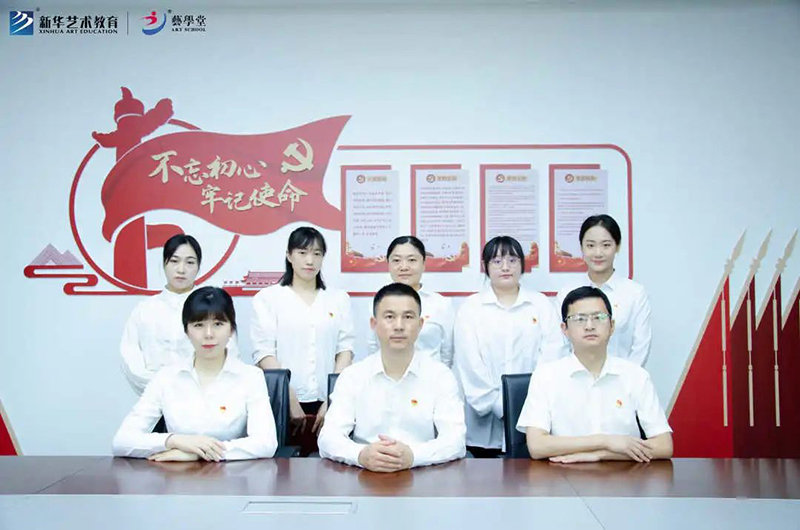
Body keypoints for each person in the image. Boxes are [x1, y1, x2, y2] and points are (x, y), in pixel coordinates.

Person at [113, 287, 278, 461]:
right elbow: (122, 441)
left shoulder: (251, 377)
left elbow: (266, 443)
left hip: (232, 474)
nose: (208, 334)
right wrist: (175, 441)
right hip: (176, 475)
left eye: (218, 324)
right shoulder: (166, 377)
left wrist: (198, 453)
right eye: (199, 325)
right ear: (186, 331)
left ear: (231, 330)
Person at [319, 283, 466, 471]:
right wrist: (361, 454)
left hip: (423, 473)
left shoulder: (440, 377)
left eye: (408, 317)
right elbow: (328, 437)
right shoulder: (352, 376)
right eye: (389, 317)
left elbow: (455, 440)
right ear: (374, 324)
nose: (399, 326)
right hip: (365, 475)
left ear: (420, 324)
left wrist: (413, 455)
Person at [519, 286, 672, 463]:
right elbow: (537, 446)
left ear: (612, 326)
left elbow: (664, 445)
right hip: (563, 475)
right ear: (564, 329)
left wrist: (600, 455)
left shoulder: (636, 376)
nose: (589, 326)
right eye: (579, 319)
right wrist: (605, 441)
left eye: (598, 318)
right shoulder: (546, 376)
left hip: (625, 477)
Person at [453, 236, 564, 457]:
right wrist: (501, 406)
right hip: (485, 424)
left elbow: (553, 354)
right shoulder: (471, 308)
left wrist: (528, 402)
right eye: (497, 261)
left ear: (522, 264)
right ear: (485, 266)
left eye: (512, 260)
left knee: (532, 475)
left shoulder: (541, 304)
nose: (505, 267)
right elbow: (469, 363)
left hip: (535, 417)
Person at [251, 227, 355, 449]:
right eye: (302, 253)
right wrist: (289, 398)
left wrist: (333, 398)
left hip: (329, 401)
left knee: (331, 463)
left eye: (317, 253)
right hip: (282, 401)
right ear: (289, 256)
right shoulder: (268, 298)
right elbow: (264, 353)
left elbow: (345, 350)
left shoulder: (338, 299)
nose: (310, 260)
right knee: (283, 465)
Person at [120, 234, 239, 394]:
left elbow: (230, 354)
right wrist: (162, 388)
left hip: (204, 396)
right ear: (164, 263)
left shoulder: (212, 307)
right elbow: (130, 357)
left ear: (198, 266)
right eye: (174, 261)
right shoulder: (145, 309)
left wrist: (199, 388)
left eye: (189, 262)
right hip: (155, 396)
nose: (181, 269)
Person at [556, 215, 651, 366]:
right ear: (581, 248)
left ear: (617, 247)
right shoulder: (567, 292)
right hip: (575, 377)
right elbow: (560, 344)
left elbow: (641, 347)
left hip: (622, 377)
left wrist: (627, 377)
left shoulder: (634, 293)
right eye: (590, 245)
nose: (598, 253)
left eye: (606, 245)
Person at [367, 236, 455, 367]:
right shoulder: (378, 302)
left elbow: (447, 354)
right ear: (388, 264)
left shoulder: (441, 304)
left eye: (412, 260)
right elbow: (373, 348)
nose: (404, 267)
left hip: (430, 376)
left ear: (423, 264)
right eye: (396, 260)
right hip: (389, 376)